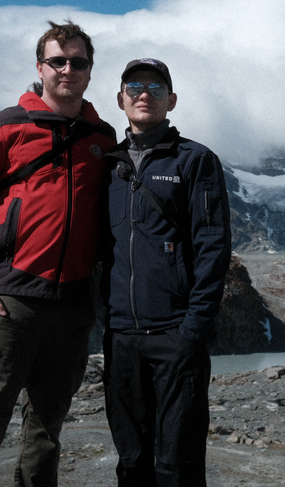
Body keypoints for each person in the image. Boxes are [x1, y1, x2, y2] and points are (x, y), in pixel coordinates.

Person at [0, 20, 116, 487]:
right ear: (39, 67)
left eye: (77, 62)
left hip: (72, 308)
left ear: (90, 70)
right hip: (10, 302)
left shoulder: (103, 140)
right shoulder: (6, 127)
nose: (67, 69)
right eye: (57, 61)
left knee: (46, 431)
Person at [102, 58, 232, 486]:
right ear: (120, 99)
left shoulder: (195, 161)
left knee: (179, 464)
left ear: (171, 100)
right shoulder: (107, 165)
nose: (145, 95)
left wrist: (193, 328)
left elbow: (213, 246)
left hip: (176, 335)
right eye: (135, 87)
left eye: (156, 89)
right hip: (122, 337)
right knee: (132, 461)